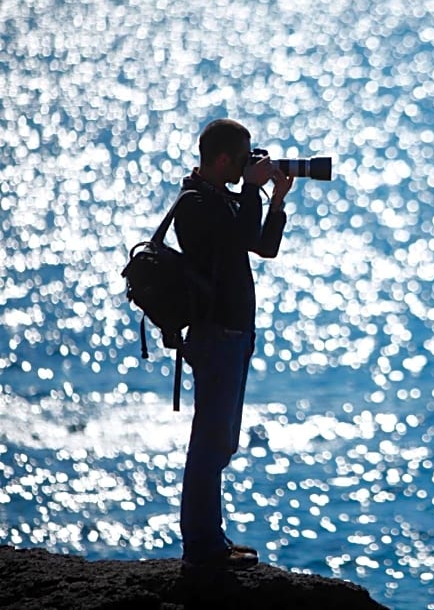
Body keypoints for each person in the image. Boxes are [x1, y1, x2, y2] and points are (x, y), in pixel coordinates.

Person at [173, 118, 294, 569]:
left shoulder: (220, 197)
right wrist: (250, 190)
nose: (249, 167)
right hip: (216, 334)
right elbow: (241, 236)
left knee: (221, 442)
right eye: (243, 161)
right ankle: (202, 547)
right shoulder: (196, 203)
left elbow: (262, 246)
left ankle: (211, 540)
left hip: (234, 333)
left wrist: (275, 200)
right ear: (223, 159)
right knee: (209, 442)